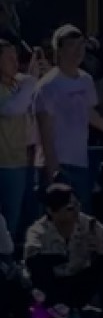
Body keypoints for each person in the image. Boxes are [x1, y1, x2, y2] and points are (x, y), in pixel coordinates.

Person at [35, 25, 103, 211]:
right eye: (72, 45)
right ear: (59, 50)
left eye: (82, 45)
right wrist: (53, 170)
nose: (79, 51)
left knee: (82, 217)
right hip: (57, 163)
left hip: (80, 161)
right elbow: (45, 130)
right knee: (58, 216)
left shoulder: (86, 80)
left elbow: (89, 113)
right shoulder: (47, 86)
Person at [23, 183, 103, 318]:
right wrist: (61, 256)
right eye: (70, 208)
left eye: (78, 205)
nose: (76, 211)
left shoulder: (88, 223)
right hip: (52, 288)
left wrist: (102, 248)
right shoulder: (38, 231)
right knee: (39, 271)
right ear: (51, 211)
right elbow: (32, 260)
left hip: (79, 282)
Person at [0, 40, 35, 240]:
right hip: (3, 164)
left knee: (12, 220)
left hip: (18, 162)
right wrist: (31, 81)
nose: (15, 62)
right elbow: (13, 108)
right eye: (9, 58)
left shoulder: (16, 86)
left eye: (16, 57)